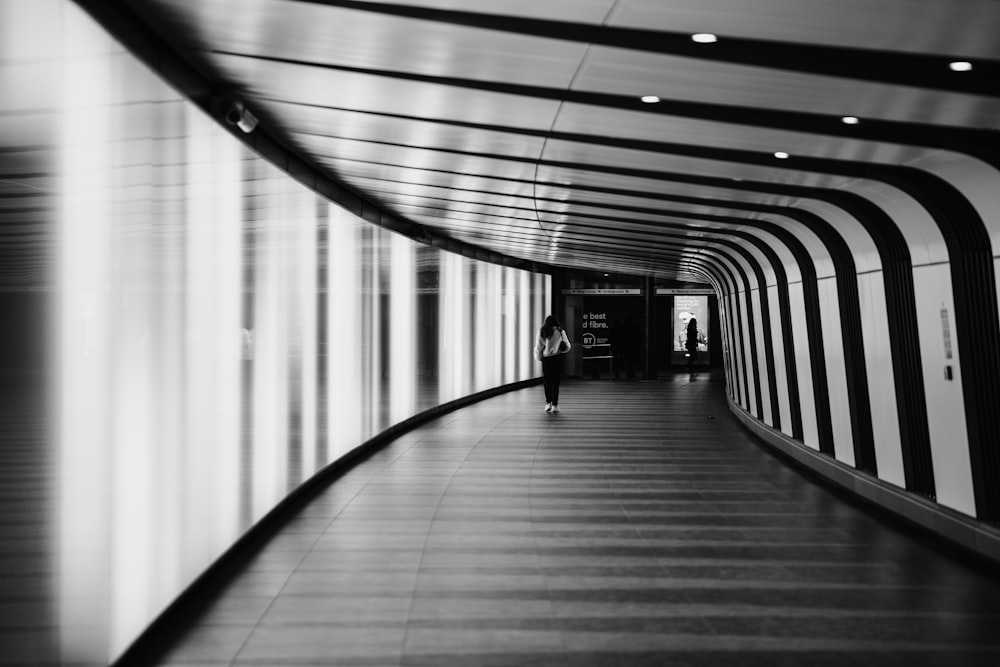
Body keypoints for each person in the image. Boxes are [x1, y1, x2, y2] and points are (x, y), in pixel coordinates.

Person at [534, 314, 571, 414]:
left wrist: (539, 357)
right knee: (556, 382)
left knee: (547, 382)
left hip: (546, 359)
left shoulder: (543, 331)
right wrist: (561, 349)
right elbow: (567, 345)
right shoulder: (560, 330)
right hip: (557, 358)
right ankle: (555, 405)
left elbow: (538, 346)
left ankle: (548, 403)